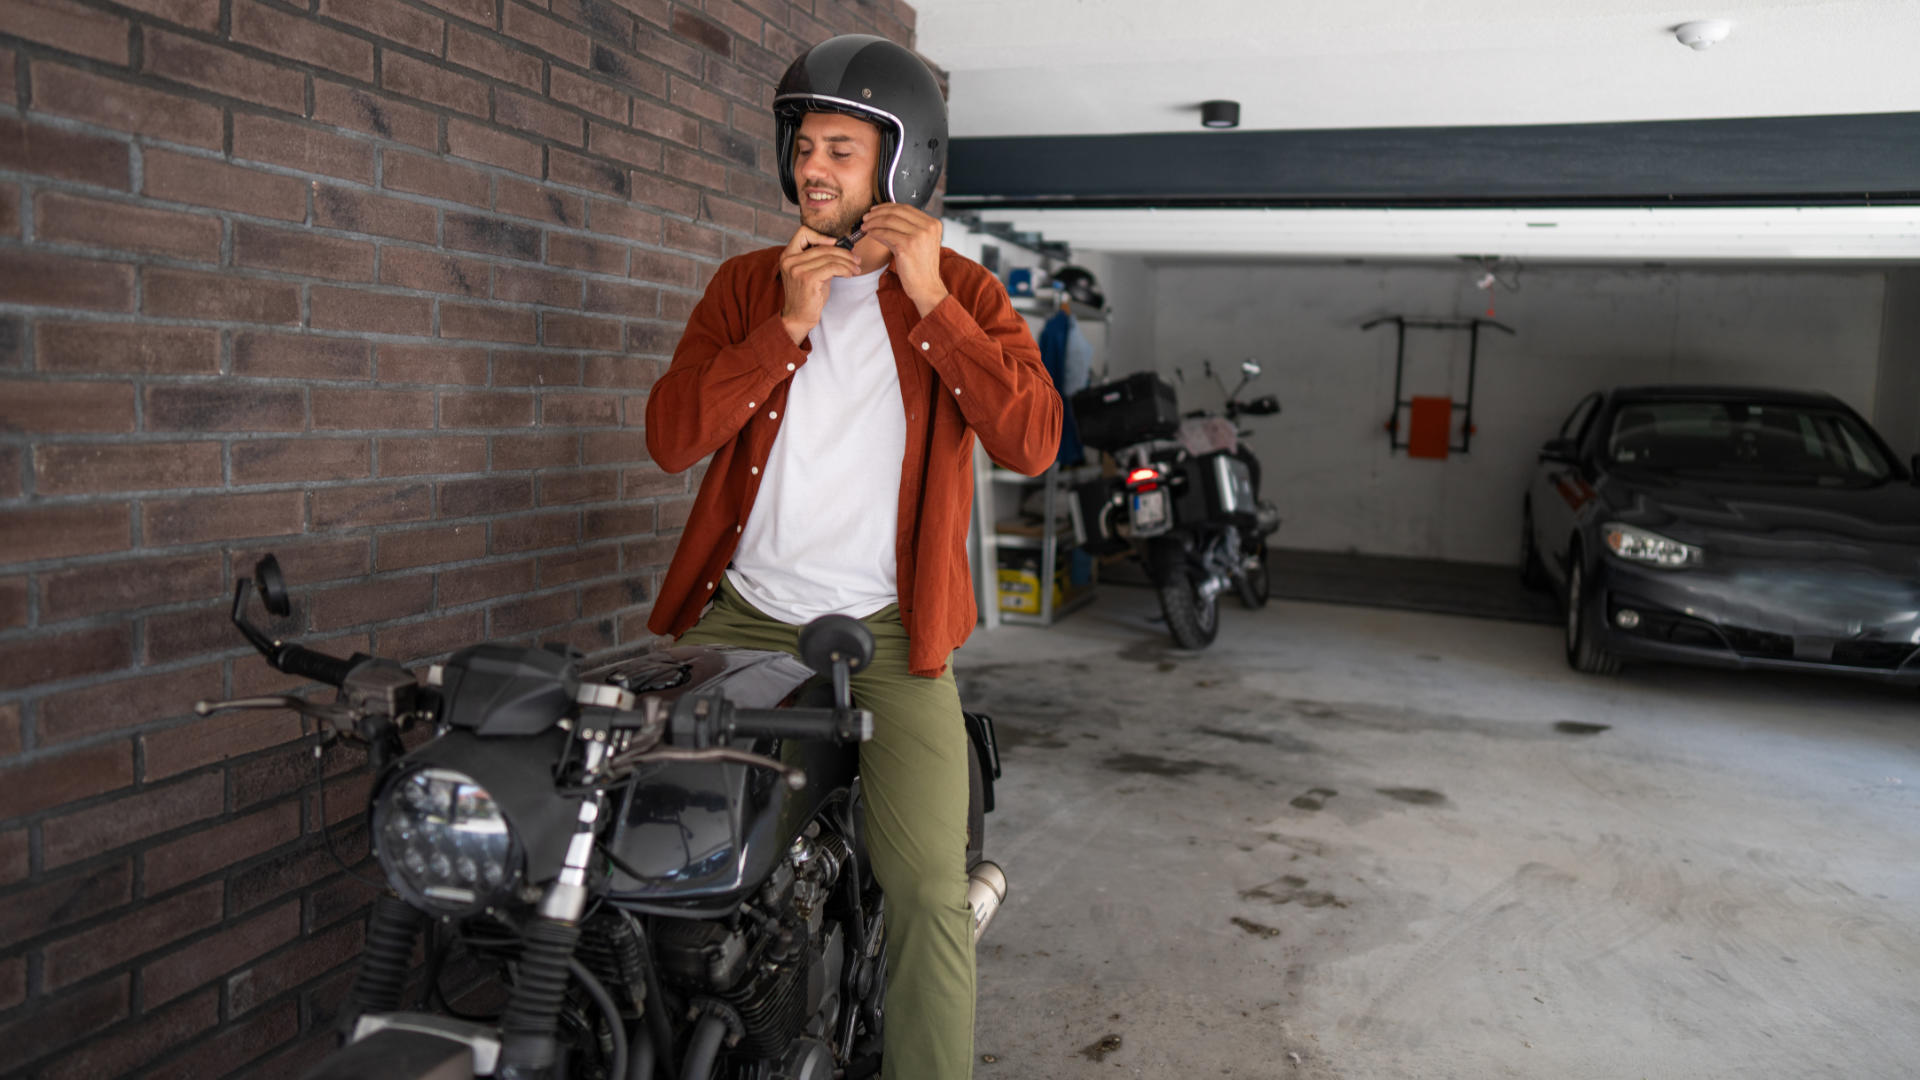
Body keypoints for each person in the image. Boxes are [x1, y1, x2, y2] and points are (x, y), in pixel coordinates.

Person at [642, 33, 1061, 1080]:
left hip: (889, 635)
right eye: (802, 145)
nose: (811, 170)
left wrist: (930, 305)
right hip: (739, 618)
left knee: (924, 892)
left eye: (840, 148)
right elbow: (670, 437)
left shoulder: (962, 290)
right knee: (662, 854)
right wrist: (785, 327)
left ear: (903, 164)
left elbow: (1032, 439)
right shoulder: (749, 285)